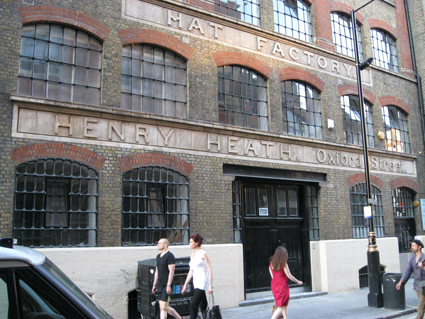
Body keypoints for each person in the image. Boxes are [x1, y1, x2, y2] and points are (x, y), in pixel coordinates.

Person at [181, 234, 213, 319]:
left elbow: (209, 269)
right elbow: (191, 271)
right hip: (196, 280)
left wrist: (210, 285)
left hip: (203, 280)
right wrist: (185, 284)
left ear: (196, 243)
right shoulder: (192, 254)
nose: (189, 244)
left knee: (193, 304)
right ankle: (206, 316)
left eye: (191, 242)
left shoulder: (203, 253)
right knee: (203, 304)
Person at [152, 238, 182, 319]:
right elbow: (157, 271)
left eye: (160, 243)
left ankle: (179, 318)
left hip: (166, 284)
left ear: (165, 245)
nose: (158, 245)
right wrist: (154, 284)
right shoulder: (158, 256)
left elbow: (171, 271)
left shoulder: (170, 256)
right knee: (161, 307)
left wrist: (169, 285)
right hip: (160, 285)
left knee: (164, 307)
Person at [269, 246, 303, 319]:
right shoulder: (284, 264)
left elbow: (272, 276)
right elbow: (289, 276)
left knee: (283, 305)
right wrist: (298, 281)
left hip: (274, 286)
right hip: (282, 286)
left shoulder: (271, 263)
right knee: (280, 308)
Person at [396, 239, 425, 319]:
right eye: (412, 245)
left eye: (414, 245)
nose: (412, 247)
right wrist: (401, 282)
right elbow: (407, 272)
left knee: (420, 308)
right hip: (417, 286)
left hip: (424, 286)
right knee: (422, 306)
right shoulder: (412, 259)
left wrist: (423, 267)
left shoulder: (424, 257)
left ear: (419, 247)